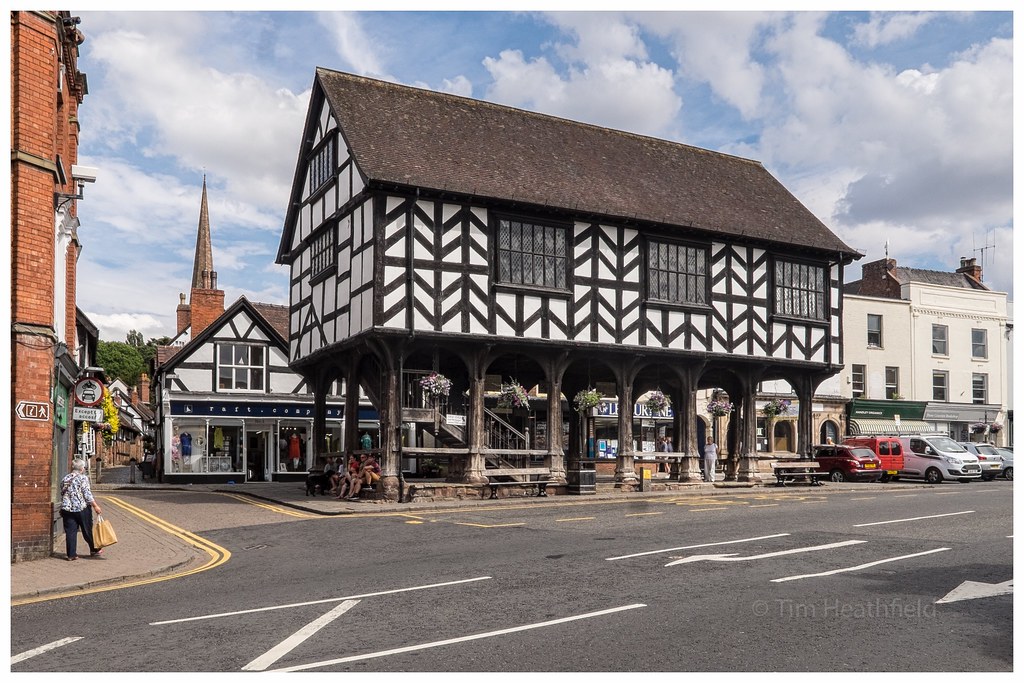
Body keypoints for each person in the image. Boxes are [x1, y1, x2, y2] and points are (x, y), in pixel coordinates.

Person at [60, 458, 103, 560]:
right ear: (82, 468)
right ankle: (94, 549)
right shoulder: (83, 478)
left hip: (67, 509)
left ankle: (71, 555)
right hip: (81, 508)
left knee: (70, 532)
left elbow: (62, 493)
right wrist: (95, 506)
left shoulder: (65, 479)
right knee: (87, 530)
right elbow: (87, 494)